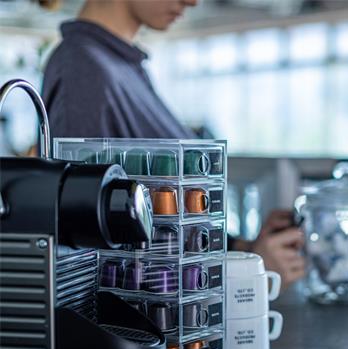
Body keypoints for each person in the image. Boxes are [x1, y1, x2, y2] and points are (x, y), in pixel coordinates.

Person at [41, 0, 304, 287]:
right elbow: (87, 260)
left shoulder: (121, 68)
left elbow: (159, 219)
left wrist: (243, 250)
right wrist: (242, 277)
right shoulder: (83, 69)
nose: (193, 2)